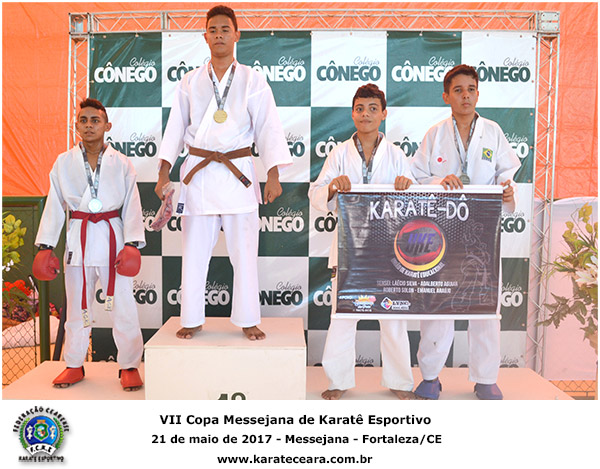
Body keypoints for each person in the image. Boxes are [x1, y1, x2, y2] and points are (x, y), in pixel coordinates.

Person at [155, 5, 292, 341]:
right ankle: (191, 318)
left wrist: (273, 174)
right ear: (205, 36)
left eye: (225, 30)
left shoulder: (252, 79)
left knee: (244, 253)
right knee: (194, 253)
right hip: (199, 175)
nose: (219, 35)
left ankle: (248, 319)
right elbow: (175, 128)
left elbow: (269, 127)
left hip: (237, 174)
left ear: (236, 35)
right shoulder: (190, 81)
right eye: (213, 30)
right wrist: (163, 171)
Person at [410, 64, 520, 400]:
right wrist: (438, 181)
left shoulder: (493, 132)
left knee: (484, 306)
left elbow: (507, 174)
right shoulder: (434, 135)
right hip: (442, 231)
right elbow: (416, 177)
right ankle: (430, 376)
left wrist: (508, 191)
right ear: (446, 96)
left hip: (482, 231)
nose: (465, 96)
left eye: (471, 89)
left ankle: (486, 378)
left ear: (478, 93)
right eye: (458, 90)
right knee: (438, 301)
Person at [308, 84, 416, 400]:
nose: (365, 114)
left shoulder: (396, 155)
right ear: (352, 113)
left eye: (372, 108)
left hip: (390, 248)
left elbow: (416, 202)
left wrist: (406, 186)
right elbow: (316, 193)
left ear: (384, 114)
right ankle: (337, 380)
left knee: (393, 317)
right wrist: (332, 187)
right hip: (349, 247)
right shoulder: (339, 153)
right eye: (359, 108)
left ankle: (400, 381)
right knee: (343, 316)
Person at [33, 98, 146, 391]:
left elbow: (132, 204)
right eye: (83, 120)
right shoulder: (64, 162)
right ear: (76, 126)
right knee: (76, 308)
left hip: (113, 240)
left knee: (123, 306)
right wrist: (45, 246)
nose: (89, 126)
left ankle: (129, 365)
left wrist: (132, 243)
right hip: (78, 240)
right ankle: (74, 364)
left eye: (95, 120)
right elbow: (55, 205)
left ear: (107, 126)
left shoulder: (122, 163)